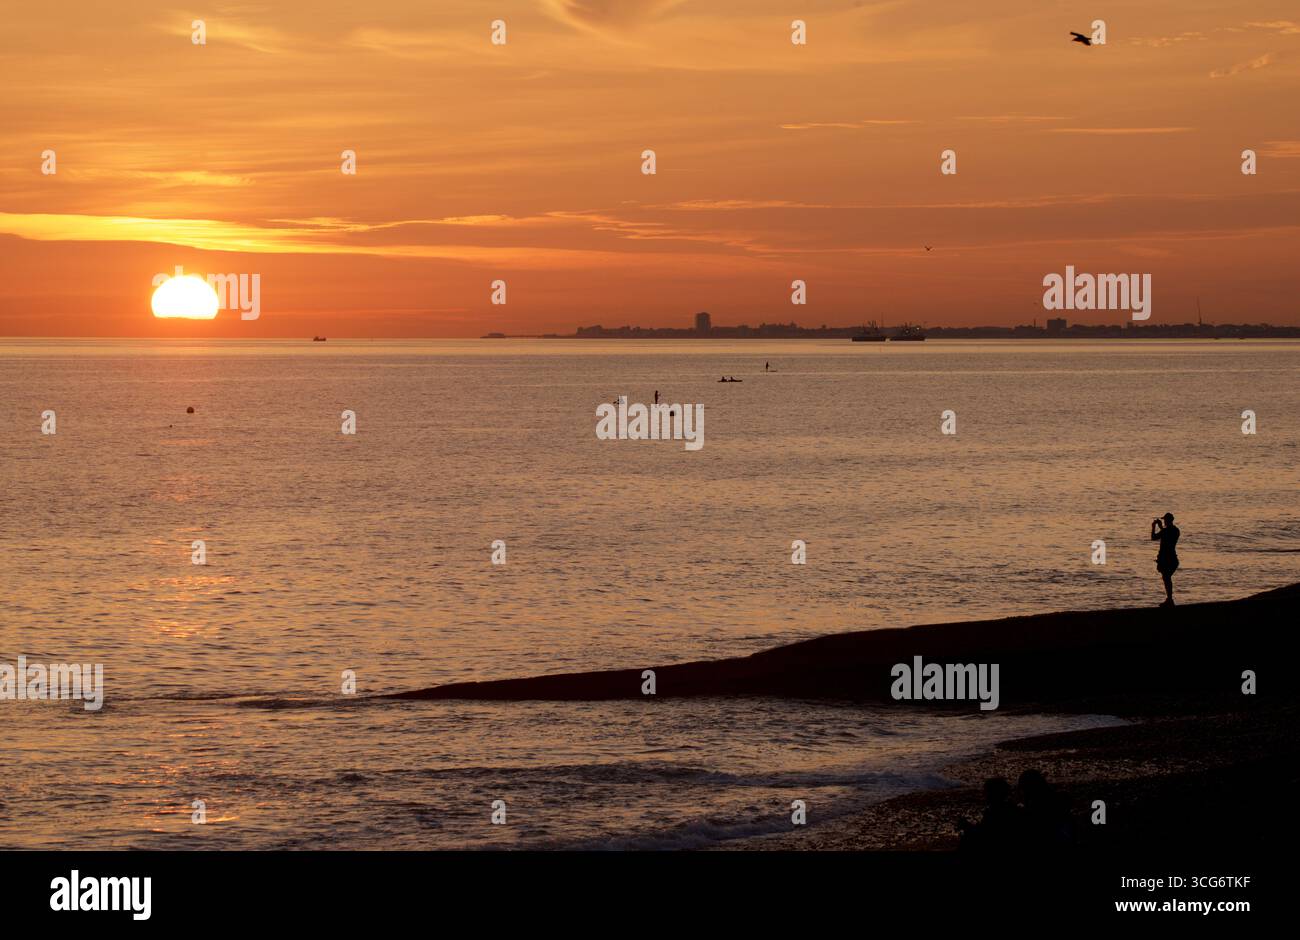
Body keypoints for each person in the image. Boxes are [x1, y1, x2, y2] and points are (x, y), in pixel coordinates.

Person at [957, 777, 1023, 852]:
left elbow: (985, 835)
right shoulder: (1013, 809)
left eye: (986, 792)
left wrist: (966, 827)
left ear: (991, 794)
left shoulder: (994, 812)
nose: (984, 795)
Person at [1151, 512, 1180, 607]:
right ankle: (1169, 599)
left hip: (1167, 559)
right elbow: (1167, 534)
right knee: (1167, 578)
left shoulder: (1165, 531)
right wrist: (1161, 527)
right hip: (1173, 558)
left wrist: (1154, 527)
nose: (1164, 522)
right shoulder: (1176, 530)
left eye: (1165, 520)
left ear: (1168, 520)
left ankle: (1170, 600)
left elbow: (1154, 537)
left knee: (1166, 578)